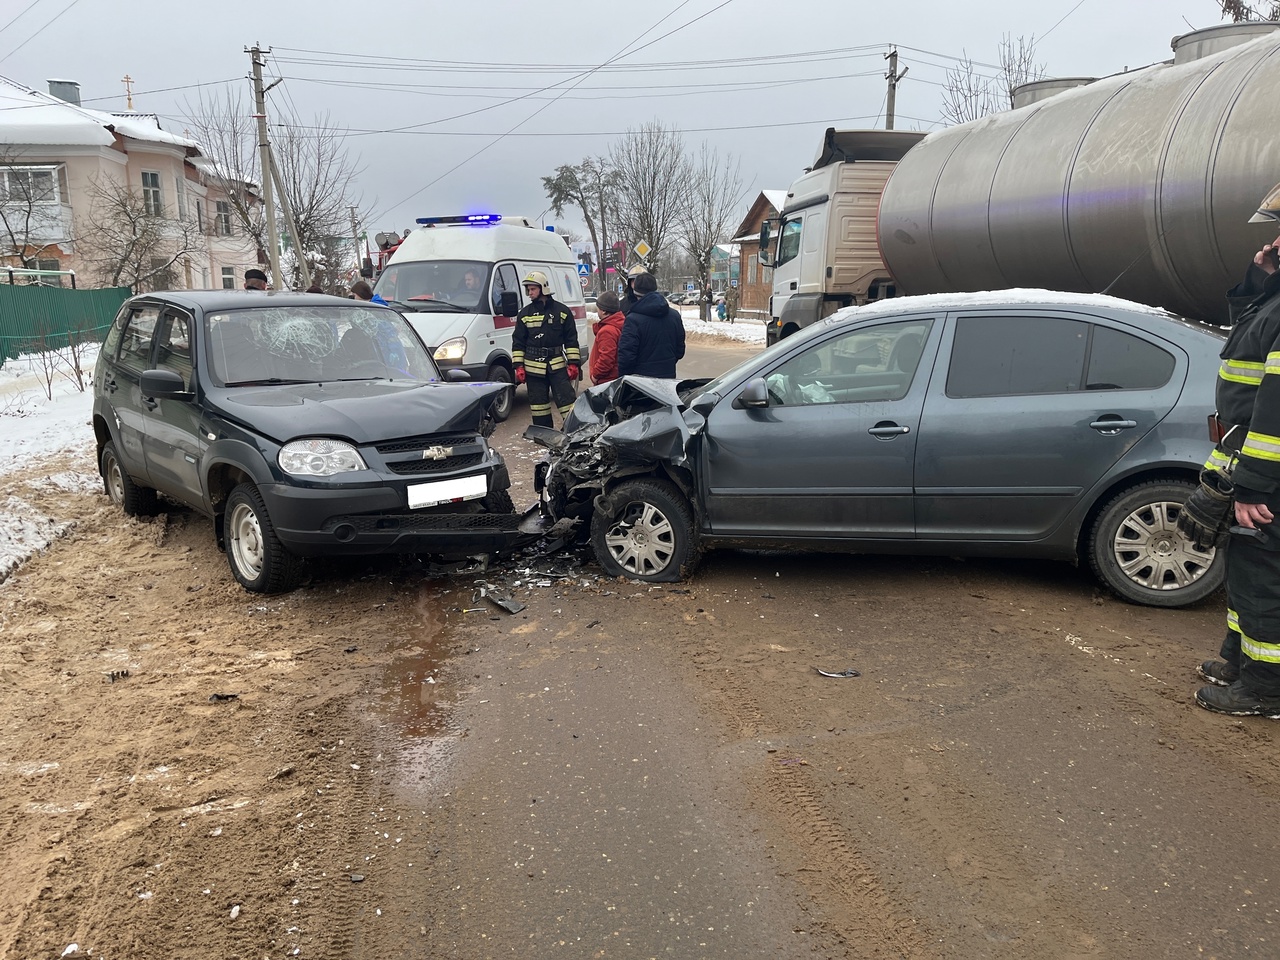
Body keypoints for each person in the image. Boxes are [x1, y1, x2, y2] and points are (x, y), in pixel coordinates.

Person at [1180, 201, 1280, 718]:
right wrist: (1258, 282)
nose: (1275, 243)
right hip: (1245, 456)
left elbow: (1277, 407)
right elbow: (1245, 341)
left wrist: (1256, 484)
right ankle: (1239, 663)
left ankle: (1264, 691)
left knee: (1263, 577)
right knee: (1246, 570)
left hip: (1269, 478)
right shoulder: (1276, 298)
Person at [512, 270, 581, 427]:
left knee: (567, 402)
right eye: (528, 290)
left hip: (557, 365)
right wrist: (518, 366)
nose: (530, 293)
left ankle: (576, 431)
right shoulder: (524, 314)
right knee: (539, 406)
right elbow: (518, 342)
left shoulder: (562, 312)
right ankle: (544, 434)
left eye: (533, 289)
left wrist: (573, 363)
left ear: (543, 288)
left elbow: (571, 339)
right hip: (533, 368)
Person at [617, 272, 685, 379]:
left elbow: (626, 357)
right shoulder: (674, 315)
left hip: (640, 383)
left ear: (635, 292)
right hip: (668, 378)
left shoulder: (632, 320)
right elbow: (680, 350)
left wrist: (624, 378)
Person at [588, 291, 625, 385]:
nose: (597, 311)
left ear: (604, 310)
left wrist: (595, 375)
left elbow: (606, 358)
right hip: (614, 378)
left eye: (598, 308)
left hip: (606, 380)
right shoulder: (620, 324)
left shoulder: (607, 331)